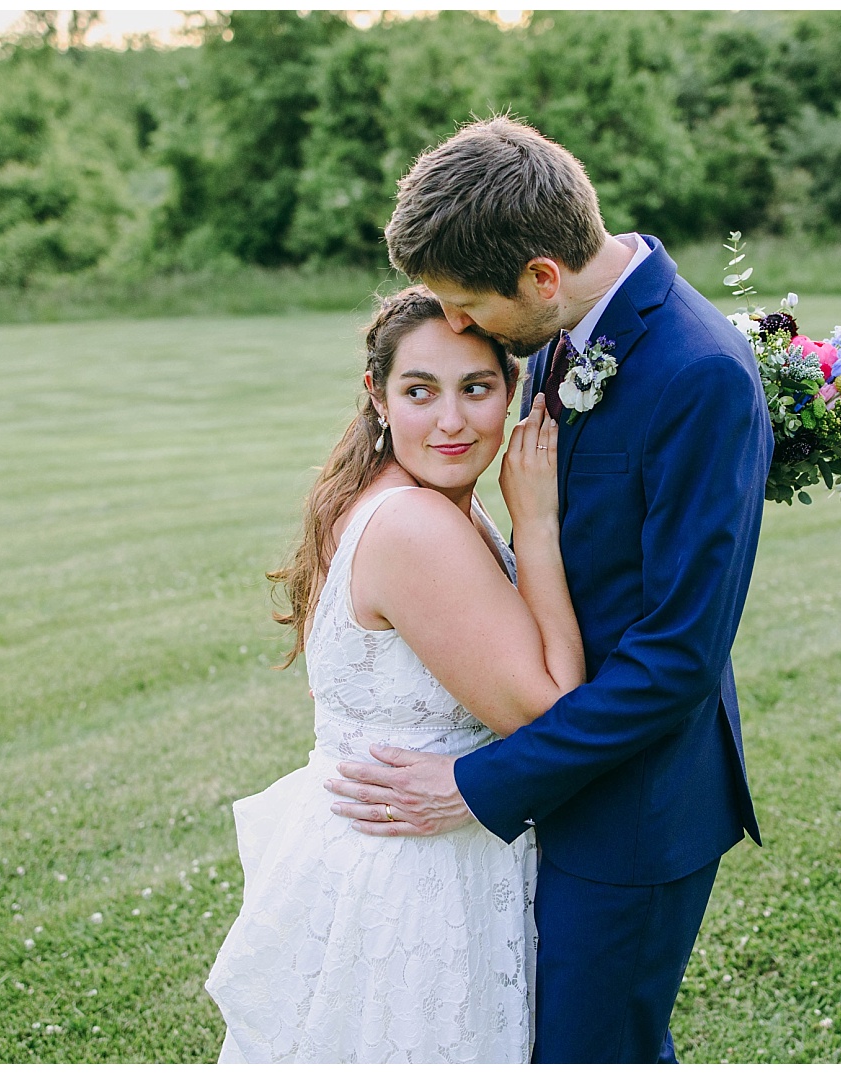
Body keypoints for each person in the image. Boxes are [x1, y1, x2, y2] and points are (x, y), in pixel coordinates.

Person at [325, 116, 773, 1062]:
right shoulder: (569, 334)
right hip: (559, 792)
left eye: (464, 305)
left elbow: (675, 661)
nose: (455, 326)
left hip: (633, 815)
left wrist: (476, 782)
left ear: (539, 277)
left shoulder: (699, 373)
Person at [204, 286, 583, 1061]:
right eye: (420, 391)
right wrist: (538, 526)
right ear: (378, 397)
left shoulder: (402, 495)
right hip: (416, 876)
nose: (452, 420)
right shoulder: (413, 522)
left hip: (388, 850)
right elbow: (554, 716)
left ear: (510, 393)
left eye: (476, 388)